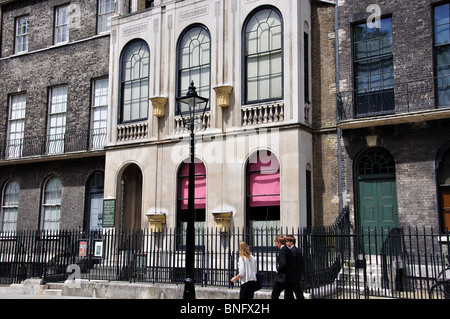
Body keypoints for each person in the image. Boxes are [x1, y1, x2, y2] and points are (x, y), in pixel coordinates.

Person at [271, 235, 295, 299]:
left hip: (282, 278)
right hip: (289, 277)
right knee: (289, 295)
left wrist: (278, 269)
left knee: (274, 295)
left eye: (276, 243)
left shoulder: (282, 250)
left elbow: (283, 264)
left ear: (279, 242)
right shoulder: (289, 250)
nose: (276, 245)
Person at [286, 234, 305, 299]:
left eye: (287, 241)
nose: (286, 243)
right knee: (297, 292)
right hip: (296, 275)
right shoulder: (295, 250)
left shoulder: (293, 251)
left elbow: (292, 264)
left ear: (292, 242)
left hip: (294, 276)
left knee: (295, 292)